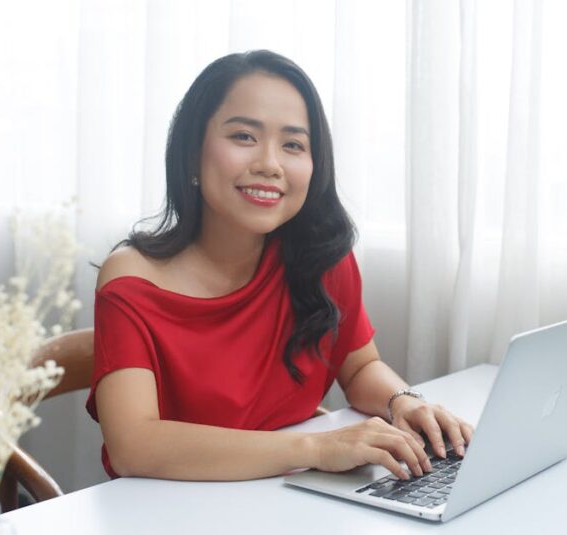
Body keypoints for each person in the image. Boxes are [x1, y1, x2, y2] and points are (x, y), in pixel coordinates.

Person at [86, 50, 473, 482]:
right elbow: (134, 447)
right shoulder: (132, 280)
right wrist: (315, 447)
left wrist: (404, 401)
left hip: (287, 503)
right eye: (244, 137)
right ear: (193, 152)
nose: (270, 164)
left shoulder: (321, 258)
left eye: (293, 144)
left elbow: (360, 368)